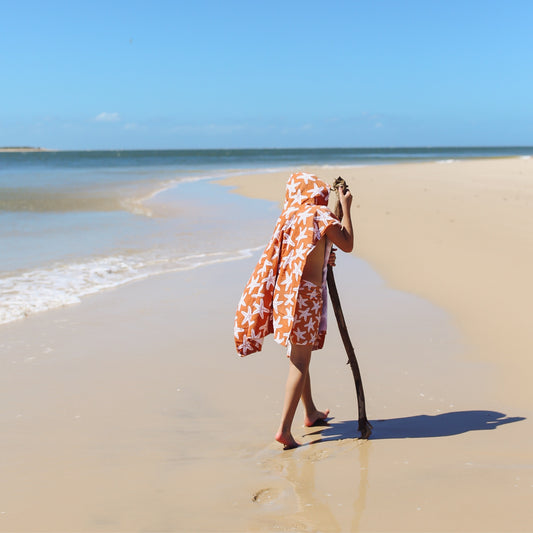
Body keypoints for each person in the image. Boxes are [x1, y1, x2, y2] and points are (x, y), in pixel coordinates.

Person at [234, 171, 353, 449]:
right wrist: (345, 208)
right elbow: (347, 243)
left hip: (287, 294)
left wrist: (326, 254)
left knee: (299, 354)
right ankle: (284, 431)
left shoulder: (290, 218)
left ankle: (310, 411)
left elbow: (302, 251)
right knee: (300, 361)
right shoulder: (320, 216)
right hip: (307, 296)